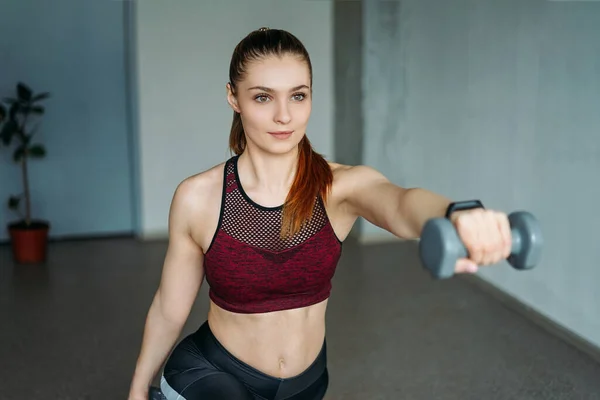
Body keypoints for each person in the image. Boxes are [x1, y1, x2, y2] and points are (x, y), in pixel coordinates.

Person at [127, 27, 512, 400]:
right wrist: (136, 390)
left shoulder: (338, 187)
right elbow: (168, 307)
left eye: (298, 96)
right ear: (234, 97)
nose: (284, 116)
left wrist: (455, 213)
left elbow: (399, 203)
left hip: (306, 384)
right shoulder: (199, 197)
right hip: (212, 375)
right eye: (263, 97)